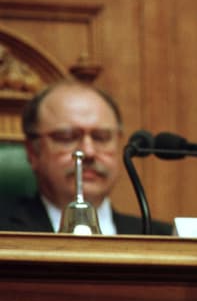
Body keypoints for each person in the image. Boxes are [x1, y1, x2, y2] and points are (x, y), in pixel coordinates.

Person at [0, 79, 173, 235]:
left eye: (101, 137)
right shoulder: (5, 233)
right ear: (32, 152)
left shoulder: (163, 239)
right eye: (67, 137)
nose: (88, 152)